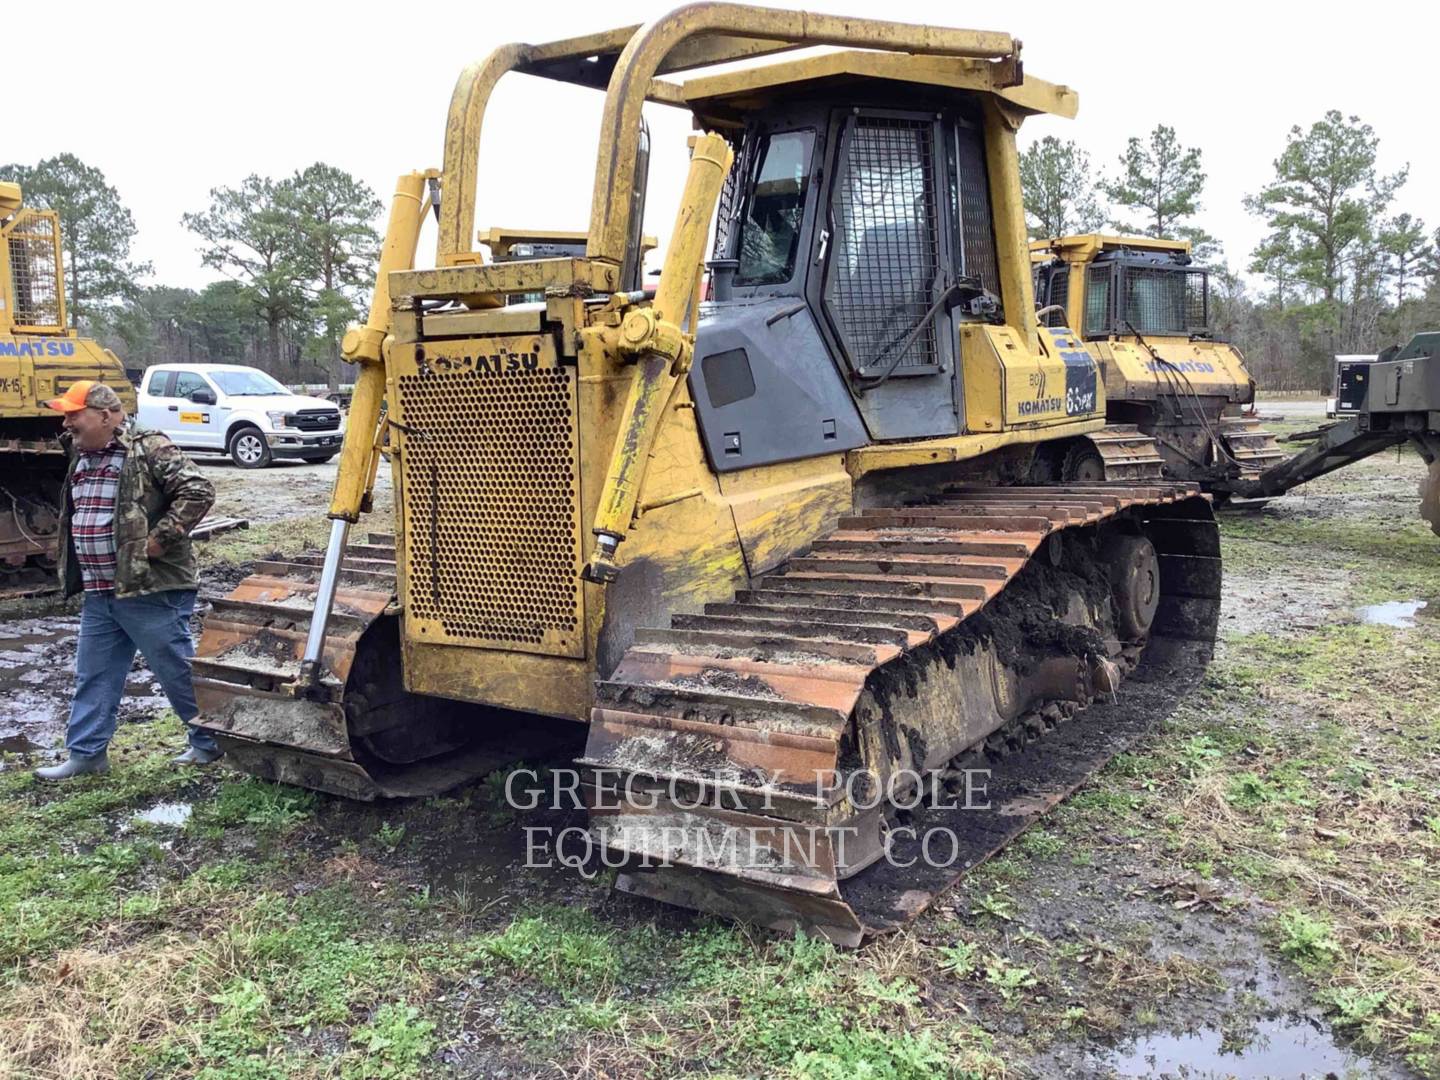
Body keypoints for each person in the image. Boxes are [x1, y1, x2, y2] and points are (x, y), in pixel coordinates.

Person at [34, 380, 220, 780]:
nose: (66, 423)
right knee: (94, 672)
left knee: (174, 670)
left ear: (104, 415)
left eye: (73, 414)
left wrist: (157, 541)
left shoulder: (148, 447)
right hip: (102, 589)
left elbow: (198, 490)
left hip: (151, 587)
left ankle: (211, 743)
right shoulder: (81, 454)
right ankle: (86, 755)